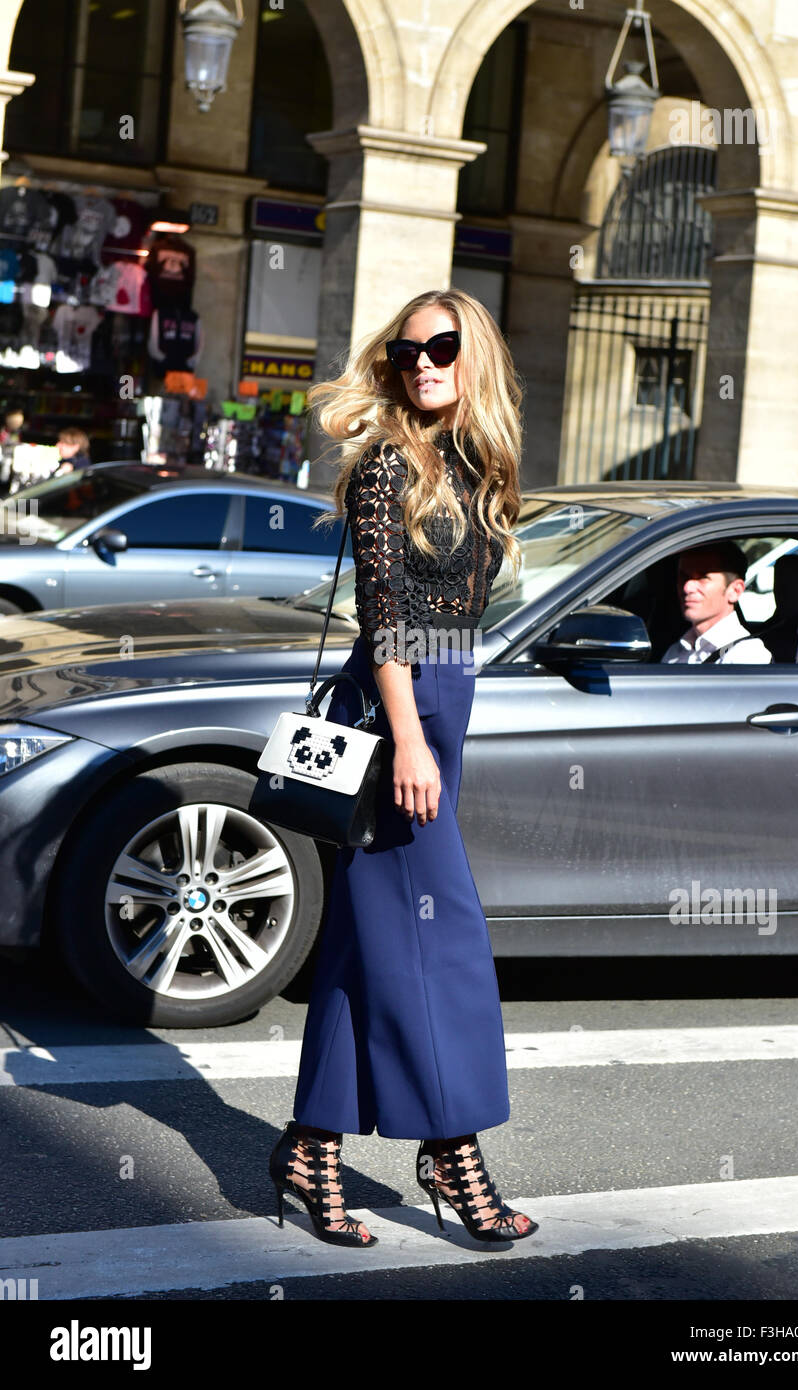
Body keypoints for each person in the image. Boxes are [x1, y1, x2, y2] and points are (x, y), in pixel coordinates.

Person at [267, 288, 539, 1248]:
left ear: (476, 355)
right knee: (442, 947)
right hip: (398, 712)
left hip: (443, 697)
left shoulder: (477, 464)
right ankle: (454, 1155)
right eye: (405, 351)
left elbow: (456, 619)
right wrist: (412, 739)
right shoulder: (388, 468)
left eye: (442, 346)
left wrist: (439, 721)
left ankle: (311, 1151)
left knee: (359, 949)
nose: (422, 362)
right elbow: (385, 622)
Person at [662, 540, 773, 664]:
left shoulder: (747, 655)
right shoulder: (676, 651)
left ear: (735, 591)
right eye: (683, 576)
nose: (687, 588)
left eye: (703, 577)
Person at [0, 407, 25, 491]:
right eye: (15, 421)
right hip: (6, 460)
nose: (18, 423)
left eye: (19, 421)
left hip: (18, 460)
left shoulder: (20, 431)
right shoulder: (3, 432)